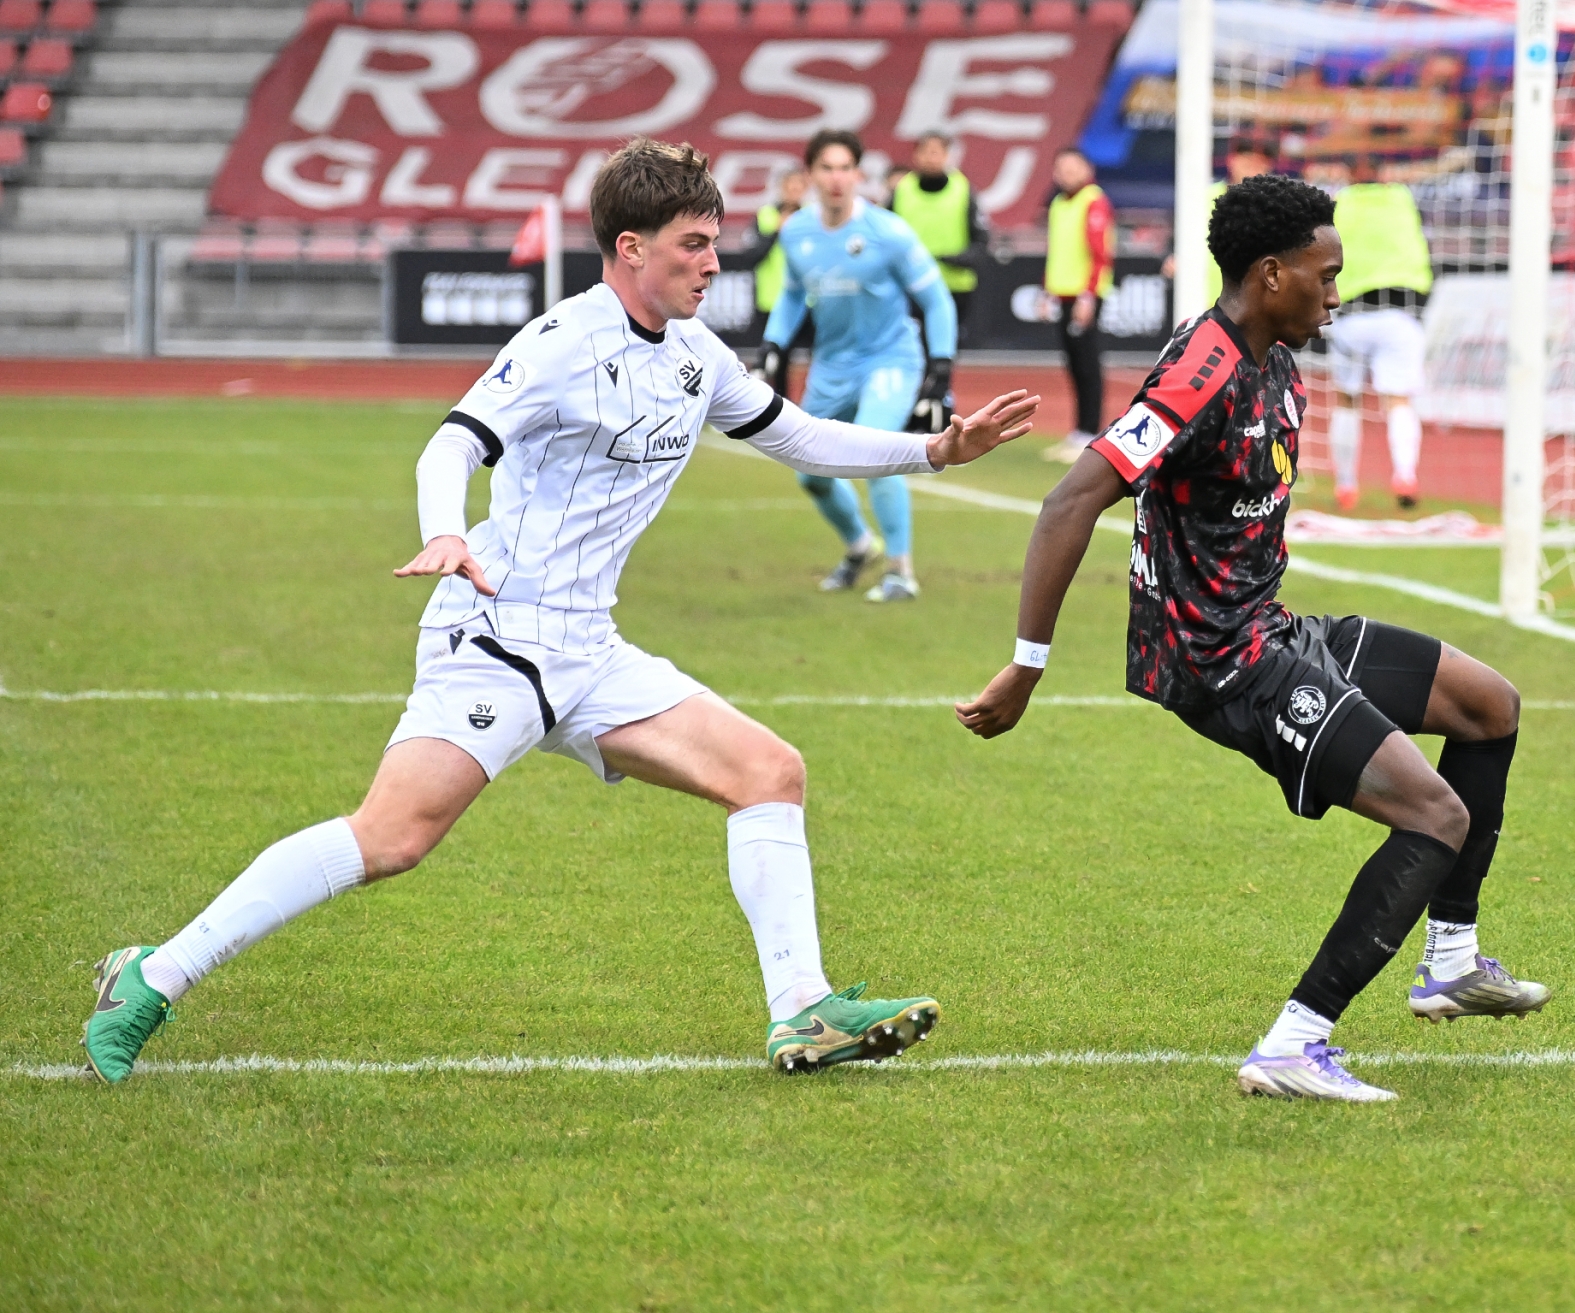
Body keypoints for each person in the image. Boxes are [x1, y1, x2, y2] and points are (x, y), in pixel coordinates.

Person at [79, 138, 1041, 1086]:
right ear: (631, 247)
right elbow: (452, 444)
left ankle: (804, 1009)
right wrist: (445, 530)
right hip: (497, 632)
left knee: (768, 771)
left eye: (713, 242)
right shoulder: (560, 342)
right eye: (693, 244)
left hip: (589, 647)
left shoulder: (696, 352)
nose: (714, 263)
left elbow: (796, 435)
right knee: (392, 837)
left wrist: (935, 452)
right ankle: (153, 976)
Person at [956, 174, 1548, 1103]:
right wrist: (1028, 665)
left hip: (1270, 627)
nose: (1339, 294)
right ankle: (1293, 1044)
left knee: (1489, 706)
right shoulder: (1203, 371)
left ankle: (1451, 957)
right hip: (1221, 660)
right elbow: (1072, 498)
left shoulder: (1274, 354)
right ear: (1271, 275)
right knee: (1435, 815)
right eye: (1327, 274)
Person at [758, 129, 959, 603]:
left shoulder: (888, 232)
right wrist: (773, 344)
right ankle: (859, 546)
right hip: (831, 365)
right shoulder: (796, 232)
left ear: (858, 175)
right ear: (810, 174)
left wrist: (941, 365)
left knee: (876, 451)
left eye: (845, 168)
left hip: (890, 358)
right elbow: (792, 295)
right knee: (809, 470)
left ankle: (900, 572)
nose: (836, 178)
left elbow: (936, 299)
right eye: (826, 168)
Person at [1322, 155, 1434, 510]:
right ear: (1383, 175)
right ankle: (1405, 475)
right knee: (1399, 400)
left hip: (1351, 316)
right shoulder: (1401, 200)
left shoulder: (1340, 205)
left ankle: (1346, 485)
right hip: (1400, 316)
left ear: (1349, 176)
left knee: (1347, 399)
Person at [1038, 146, 1115, 464]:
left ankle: (1089, 432)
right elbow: (1057, 250)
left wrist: (1088, 296)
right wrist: (1047, 292)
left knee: (1087, 365)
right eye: (1061, 169)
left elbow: (1100, 253)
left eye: (1072, 168)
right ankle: (1079, 431)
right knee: (1073, 365)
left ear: (1086, 170)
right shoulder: (1058, 203)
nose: (1066, 175)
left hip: (1084, 295)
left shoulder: (1093, 200)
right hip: (1064, 294)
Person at [890, 131, 990, 345]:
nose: (931, 158)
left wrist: (959, 259)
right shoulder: (902, 190)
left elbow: (981, 239)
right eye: (926, 152)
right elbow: (884, 235)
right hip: (910, 284)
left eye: (936, 152)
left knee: (944, 349)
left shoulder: (963, 189)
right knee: (912, 348)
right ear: (916, 155)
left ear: (947, 156)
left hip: (952, 285)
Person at [1160, 138, 1274, 306]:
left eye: (1258, 164)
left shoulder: (1274, 207)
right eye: (1246, 162)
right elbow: (1177, 239)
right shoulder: (1203, 197)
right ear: (1231, 161)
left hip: (1253, 306)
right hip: (1202, 300)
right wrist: (1172, 258)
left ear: (1268, 167)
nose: (1252, 169)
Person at [745, 167, 811, 398]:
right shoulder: (765, 216)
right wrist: (776, 231)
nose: (794, 191)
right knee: (777, 359)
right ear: (781, 188)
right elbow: (752, 256)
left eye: (798, 187)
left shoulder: (812, 217)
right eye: (789, 186)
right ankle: (778, 405)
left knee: (820, 356)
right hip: (773, 300)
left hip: (810, 299)